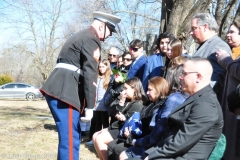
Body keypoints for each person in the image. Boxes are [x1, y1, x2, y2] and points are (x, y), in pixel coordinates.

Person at [40, 11, 121, 160]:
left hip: (60, 89)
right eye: (110, 30)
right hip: (66, 92)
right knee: (70, 140)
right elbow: (90, 73)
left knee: (69, 137)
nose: (110, 35)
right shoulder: (92, 39)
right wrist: (90, 106)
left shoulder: (81, 35)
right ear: (102, 25)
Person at [139, 57, 223, 160]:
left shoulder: (207, 104)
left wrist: (151, 156)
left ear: (198, 77)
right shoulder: (197, 98)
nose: (180, 77)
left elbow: (182, 141)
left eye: (184, 73)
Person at [119, 64, 188, 160]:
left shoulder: (173, 99)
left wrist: (134, 141)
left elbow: (157, 133)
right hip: (161, 144)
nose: (166, 81)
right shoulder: (152, 103)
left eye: (167, 77)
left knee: (123, 154)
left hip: (159, 146)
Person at [108, 76, 169, 160]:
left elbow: (149, 131)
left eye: (150, 90)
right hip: (136, 137)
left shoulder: (160, 107)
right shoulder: (149, 104)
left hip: (145, 142)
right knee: (112, 145)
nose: (147, 93)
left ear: (159, 90)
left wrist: (131, 137)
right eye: (147, 90)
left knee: (117, 149)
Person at [93, 77, 147, 160]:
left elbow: (126, 122)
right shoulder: (127, 101)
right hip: (118, 127)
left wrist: (109, 128)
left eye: (126, 88)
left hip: (122, 130)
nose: (123, 91)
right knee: (95, 135)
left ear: (134, 89)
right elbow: (114, 113)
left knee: (100, 138)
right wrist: (121, 102)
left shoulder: (137, 104)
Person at [190, 13, 231, 99]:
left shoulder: (218, 46)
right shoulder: (204, 45)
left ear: (205, 27)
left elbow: (215, 81)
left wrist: (195, 99)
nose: (191, 33)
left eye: (194, 29)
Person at [216, 19, 240, 160]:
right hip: (228, 110)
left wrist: (226, 60)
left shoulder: (229, 57)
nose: (228, 35)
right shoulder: (232, 52)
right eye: (228, 31)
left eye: (232, 32)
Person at [84, 59, 112, 146]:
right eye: (99, 67)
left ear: (107, 67)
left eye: (103, 66)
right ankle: (94, 140)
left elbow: (110, 92)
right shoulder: (97, 77)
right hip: (96, 104)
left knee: (105, 123)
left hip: (104, 105)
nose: (101, 68)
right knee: (97, 123)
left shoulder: (110, 78)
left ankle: (106, 141)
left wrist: (105, 101)